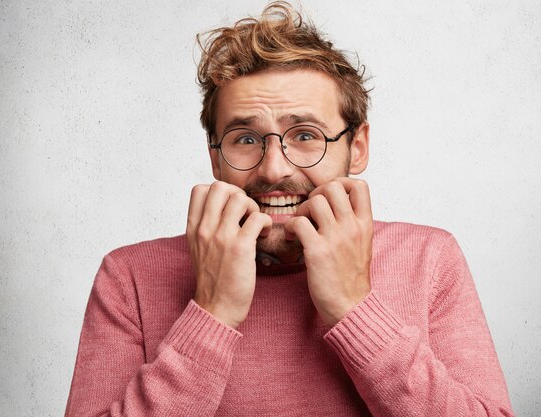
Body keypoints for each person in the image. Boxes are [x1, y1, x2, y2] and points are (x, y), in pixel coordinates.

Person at [65, 2, 514, 416]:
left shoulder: (429, 258)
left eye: (304, 135)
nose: (274, 169)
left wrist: (353, 307)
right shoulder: (128, 276)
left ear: (357, 148)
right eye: (245, 139)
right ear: (215, 156)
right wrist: (212, 313)